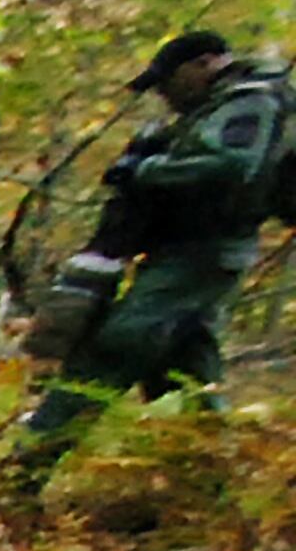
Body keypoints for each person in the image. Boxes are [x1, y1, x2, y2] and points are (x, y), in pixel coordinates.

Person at [21, 30, 289, 451]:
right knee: (184, 368)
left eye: (168, 80)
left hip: (206, 251)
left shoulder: (251, 101)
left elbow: (233, 164)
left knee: (119, 342)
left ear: (205, 63)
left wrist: (145, 171)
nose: (165, 94)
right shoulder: (216, 108)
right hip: (191, 250)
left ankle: (30, 460)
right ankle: (205, 477)